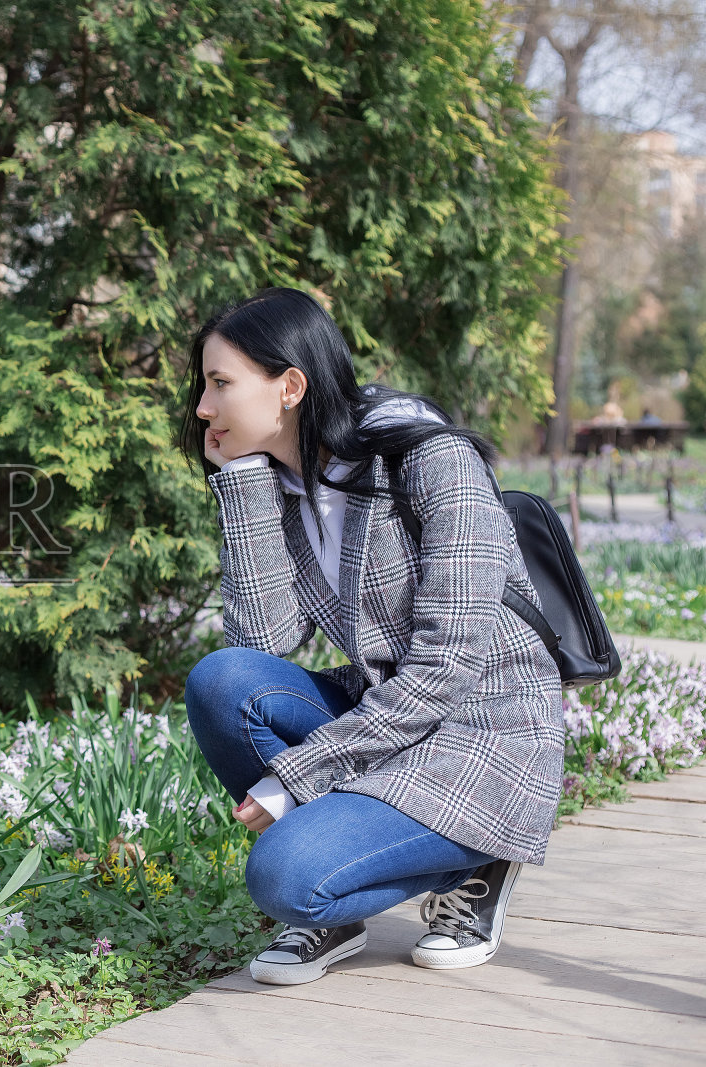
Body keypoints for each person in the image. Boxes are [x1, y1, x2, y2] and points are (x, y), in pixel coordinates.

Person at [175, 287, 563, 986]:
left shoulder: (430, 460)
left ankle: (479, 859)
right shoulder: (285, 479)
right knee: (221, 681)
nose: (203, 407)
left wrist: (296, 779)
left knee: (282, 875)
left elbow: (445, 670)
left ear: (289, 386)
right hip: (391, 720)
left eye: (220, 383)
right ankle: (341, 897)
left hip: (484, 735)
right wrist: (241, 485)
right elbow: (262, 640)